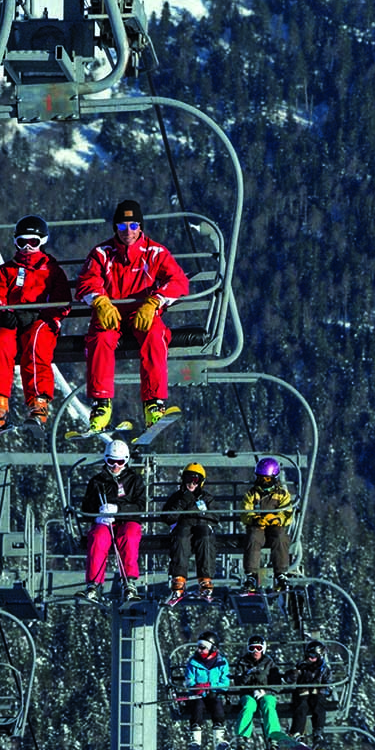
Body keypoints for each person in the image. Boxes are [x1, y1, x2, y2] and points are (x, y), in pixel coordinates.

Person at [75, 199, 189, 432]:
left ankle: (153, 403)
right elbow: (88, 281)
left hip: (141, 313)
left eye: (133, 226)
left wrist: (154, 302)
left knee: (155, 336)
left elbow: (178, 281)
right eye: (122, 227)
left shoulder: (155, 252)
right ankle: (101, 403)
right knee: (100, 339)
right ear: (115, 228)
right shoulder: (102, 253)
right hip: (111, 314)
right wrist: (99, 301)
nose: (128, 232)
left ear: (141, 227)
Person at [0, 215, 72, 432]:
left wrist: (41, 314)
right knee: (0, 340)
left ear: (43, 241)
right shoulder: (8, 270)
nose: (28, 247)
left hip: (41, 322)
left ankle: (38, 401)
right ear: (15, 243)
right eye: (22, 242)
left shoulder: (51, 270)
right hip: (13, 320)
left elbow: (63, 302)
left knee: (36, 341)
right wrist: (4, 313)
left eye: (33, 242)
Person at [79, 439, 145, 602]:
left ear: (126, 461)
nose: (116, 466)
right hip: (105, 523)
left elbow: (140, 506)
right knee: (98, 537)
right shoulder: (97, 481)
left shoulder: (134, 480)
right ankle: (93, 583)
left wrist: (118, 510)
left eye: (120, 462)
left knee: (129, 536)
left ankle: (128, 581)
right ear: (105, 460)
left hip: (127, 521)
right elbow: (86, 508)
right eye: (111, 461)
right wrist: (98, 515)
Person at [160, 463, 217, 602]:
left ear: (201, 482)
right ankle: (178, 578)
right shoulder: (178, 497)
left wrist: (202, 517)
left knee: (205, 537)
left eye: (195, 480)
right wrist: (183, 501)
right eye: (188, 479)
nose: (191, 483)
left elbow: (215, 516)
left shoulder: (206, 498)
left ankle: (205, 578)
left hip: (201, 528)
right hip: (183, 528)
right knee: (181, 538)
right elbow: (167, 516)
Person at [240, 456, 295, 593]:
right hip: (258, 527)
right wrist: (255, 519)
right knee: (253, 537)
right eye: (260, 479)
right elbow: (245, 512)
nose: (263, 483)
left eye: (267, 479)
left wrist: (277, 519)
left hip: (274, 528)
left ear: (274, 478)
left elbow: (287, 513)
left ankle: (280, 573)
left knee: (281, 536)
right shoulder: (252, 494)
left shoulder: (281, 494)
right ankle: (251, 574)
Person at [230, 635, 283, 750]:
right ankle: (242, 738)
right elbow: (238, 682)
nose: (255, 651)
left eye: (258, 648)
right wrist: (247, 675)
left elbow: (277, 682)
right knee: (249, 705)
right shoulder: (243, 663)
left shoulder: (269, 663)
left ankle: (273, 739)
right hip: (248, 693)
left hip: (266, 693)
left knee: (269, 704)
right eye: (252, 648)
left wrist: (265, 691)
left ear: (263, 649)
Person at [183, 631, 229, 748]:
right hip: (198, 695)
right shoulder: (193, 662)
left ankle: (219, 736)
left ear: (212, 648)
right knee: (197, 705)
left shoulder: (221, 662)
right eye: (198, 647)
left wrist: (211, 685)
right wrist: (196, 687)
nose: (199, 650)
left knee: (216, 704)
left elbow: (225, 683)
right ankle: (196, 737)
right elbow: (189, 680)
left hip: (213, 694)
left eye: (202, 648)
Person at [288, 640, 332, 746]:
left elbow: (328, 687)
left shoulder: (324, 670)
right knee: (301, 705)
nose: (310, 659)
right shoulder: (302, 667)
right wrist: (293, 674)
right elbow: (291, 679)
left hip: (316, 695)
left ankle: (318, 732)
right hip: (302, 695)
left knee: (318, 704)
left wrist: (317, 690)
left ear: (320, 656)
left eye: (313, 656)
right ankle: (297, 732)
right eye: (308, 656)